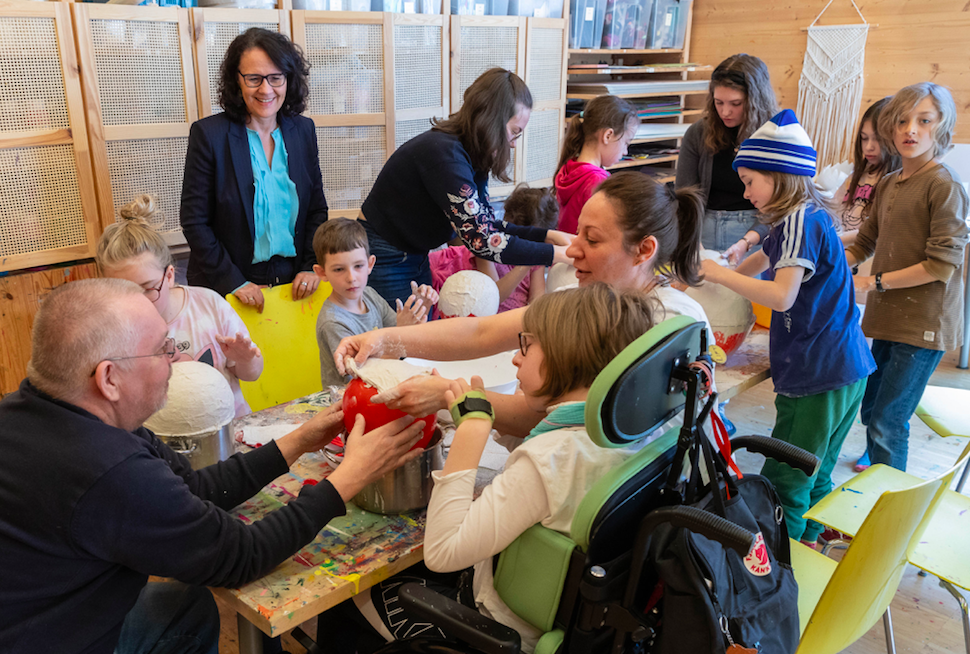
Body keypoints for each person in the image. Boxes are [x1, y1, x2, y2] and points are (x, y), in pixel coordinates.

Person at [0, 278, 427, 654]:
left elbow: (193, 489)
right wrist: (347, 479)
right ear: (109, 378)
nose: (176, 361)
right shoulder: (108, 470)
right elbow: (241, 555)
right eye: (161, 351)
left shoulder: (37, 409)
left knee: (182, 604)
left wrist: (301, 439)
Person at [350, 284, 659, 653]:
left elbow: (443, 551)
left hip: (500, 631)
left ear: (565, 357)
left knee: (356, 590)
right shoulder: (634, 433)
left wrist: (472, 432)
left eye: (526, 346)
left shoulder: (546, 461)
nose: (515, 358)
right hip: (578, 620)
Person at [334, 171, 711, 439]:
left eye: (592, 240)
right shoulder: (589, 299)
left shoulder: (671, 323)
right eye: (576, 231)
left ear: (644, 250)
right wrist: (382, 339)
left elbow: (559, 420)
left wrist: (451, 396)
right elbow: (481, 331)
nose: (572, 249)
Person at [700, 110, 876, 547]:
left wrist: (720, 277)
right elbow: (761, 261)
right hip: (845, 370)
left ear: (780, 176)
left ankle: (785, 570)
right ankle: (812, 544)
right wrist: (726, 268)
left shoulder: (797, 222)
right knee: (816, 470)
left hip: (817, 375)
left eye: (750, 181)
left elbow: (781, 296)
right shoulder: (804, 216)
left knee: (786, 480)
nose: (746, 192)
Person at [357, 67, 575, 308]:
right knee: (398, 339)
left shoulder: (470, 156)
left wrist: (547, 236)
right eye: (514, 132)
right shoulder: (445, 155)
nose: (512, 145)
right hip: (386, 253)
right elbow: (482, 239)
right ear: (492, 121)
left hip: (412, 253)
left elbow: (487, 224)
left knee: (417, 331)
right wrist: (556, 253)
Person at [845, 82, 969, 472]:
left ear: (941, 127)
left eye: (923, 120)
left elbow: (941, 265)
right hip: (888, 317)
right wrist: (831, 268)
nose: (909, 130)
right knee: (871, 408)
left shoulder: (944, 185)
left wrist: (871, 283)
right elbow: (865, 242)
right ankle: (874, 494)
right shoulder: (887, 183)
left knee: (888, 420)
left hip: (924, 323)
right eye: (901, 120)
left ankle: (885, 518)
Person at [180, 28, 328, 313]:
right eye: (254, 79)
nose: (266, 89)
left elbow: (316, 210)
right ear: (237, 81)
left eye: (275, 77)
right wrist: (233, 282)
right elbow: (194, 222)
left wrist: (311, 264)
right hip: (228, 283)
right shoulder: (209, 135)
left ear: (288, 79)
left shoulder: (303, 130)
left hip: (294, 280)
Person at [98, 194, 262, 418]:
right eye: (123, 292)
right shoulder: (110, 331)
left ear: (170, 276)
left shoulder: (209, 305)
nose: (138, 302)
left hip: (228, 429)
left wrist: (246, 360)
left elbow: (252, 374)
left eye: (147, 288)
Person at [675, 53, 778, 265]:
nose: (725, 111)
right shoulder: (697, 133)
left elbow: (779, 205)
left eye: (736, 103)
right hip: (703, 230)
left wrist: (746, 241)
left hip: (756, 233)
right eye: (718, 102)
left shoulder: (774, 135)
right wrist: (693, 240)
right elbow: (685, 197)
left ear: (755, 101)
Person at [314, 218, 438, 388]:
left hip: (382, 390)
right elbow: (361, 376)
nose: (351, 278)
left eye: (358, 266)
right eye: (339, 269)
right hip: (349, 401)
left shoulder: (370, 295)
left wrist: (419, 308)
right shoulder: (333, 322)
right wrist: (402, 331)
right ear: (322, 273)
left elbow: (401, 337)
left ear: (370, 264)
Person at [430, 184, 559, 313]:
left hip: (510, 321)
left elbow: (536, 300)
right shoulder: (489, 244)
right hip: (478, 312)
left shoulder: (537, 261)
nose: (529, 246)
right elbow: (495, 297)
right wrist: (527, 260)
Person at [554, 94, 639, 234]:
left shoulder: (568, 168)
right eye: (626, 143)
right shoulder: (597, 181)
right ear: (607, 136)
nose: (625, 151)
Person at [835, 97, 900, 247]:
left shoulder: (897, 180)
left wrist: (833, 243)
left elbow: (877, 231)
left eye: (877, 139)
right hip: (843, 258)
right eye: (864, 138)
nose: (868, 147)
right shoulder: (854, 175)